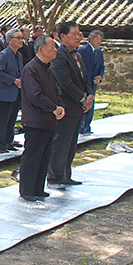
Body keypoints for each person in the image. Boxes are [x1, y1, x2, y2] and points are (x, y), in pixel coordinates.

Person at [19, 36, 65, 201]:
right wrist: (53, 108)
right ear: (41, 49)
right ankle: (27, 189)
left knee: (44, 156)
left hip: (48, 119)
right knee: (33, 155)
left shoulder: (48, 69)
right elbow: (34, 95)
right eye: (52, 46)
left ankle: (38, 188)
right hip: (36, 119)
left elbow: (56, 91)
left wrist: (59, 106)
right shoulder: (30, 69)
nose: (55, 50)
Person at [47, 21, 93, 186]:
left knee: (72, 143)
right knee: (61, 142)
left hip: (78, 106)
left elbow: (85, 77)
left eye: (79, 33)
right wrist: (82, 98)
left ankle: (66, 174)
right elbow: (65, 82)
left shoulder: (77, 54)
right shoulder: (59, 55)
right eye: (74, 33)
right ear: (63, 36)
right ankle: (56, 176)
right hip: (67, 104)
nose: (78, 37)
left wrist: (90, 95)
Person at [0, 29, 24, 153]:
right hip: (5, 92)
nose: (21, 40)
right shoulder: (4, 54)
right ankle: (0, 144)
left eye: (22, 38)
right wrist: (14, 80)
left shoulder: (19, 56)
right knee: (3, 120)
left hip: (16, 92)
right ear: (10, 40)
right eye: (18, 38)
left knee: (12, 119)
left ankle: (8, 141)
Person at [77, 30, 105, 135]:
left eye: (100, 39)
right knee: (83, 103)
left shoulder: (99, 52)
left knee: (91, 103)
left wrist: (100, 76)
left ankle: (87, 127)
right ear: (90, 39)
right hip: (84, 82)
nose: (99, 41)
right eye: (97, 39)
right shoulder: (82, 50)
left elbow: (102, 66)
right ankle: (80, 127)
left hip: (93, 82)